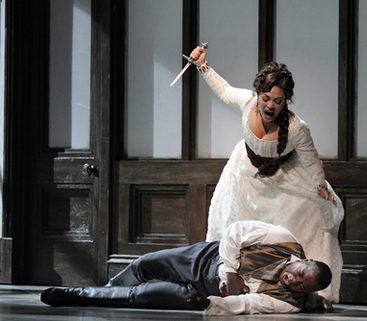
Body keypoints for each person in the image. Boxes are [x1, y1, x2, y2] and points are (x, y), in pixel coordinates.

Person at [190, 46, 345, 305]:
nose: (270, 106)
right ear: (258, 94)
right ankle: (228, 280)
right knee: (233, 223)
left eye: (277, 101)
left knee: (308, 218)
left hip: (284, 178)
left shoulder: (297, 128)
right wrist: (203, 66)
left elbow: (312, 160)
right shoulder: (248, 102)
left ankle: (307, 290)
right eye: (266, 98)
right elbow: (225, 90)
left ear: (286, 102)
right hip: (245, 174)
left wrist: (320, 186)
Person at [40, 221, 332, 315]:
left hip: (202, 293)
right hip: (206, 258)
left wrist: (209, 302)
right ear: (304, 260)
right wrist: (230, 273)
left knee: (143, 295)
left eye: (301, 285)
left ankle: (77, 294)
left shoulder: (288, 303)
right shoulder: (284, 239)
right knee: (144, 265)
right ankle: (102, 293)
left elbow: (246, 304)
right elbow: (235, 232)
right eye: (300, 274)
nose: (293, 281)